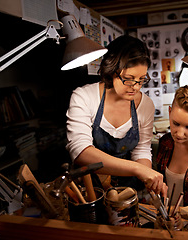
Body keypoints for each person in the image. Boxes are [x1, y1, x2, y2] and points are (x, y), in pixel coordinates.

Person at [66, 35, 166, 196]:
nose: (135, 87)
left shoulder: (145, 105)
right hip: (90, 191)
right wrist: (137, 169)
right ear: (112, 71)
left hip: (126, 190)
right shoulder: (84, 97)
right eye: (128, 79)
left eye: (141, 80)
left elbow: (141, 151)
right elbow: (81, 151)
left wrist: (149, 177)